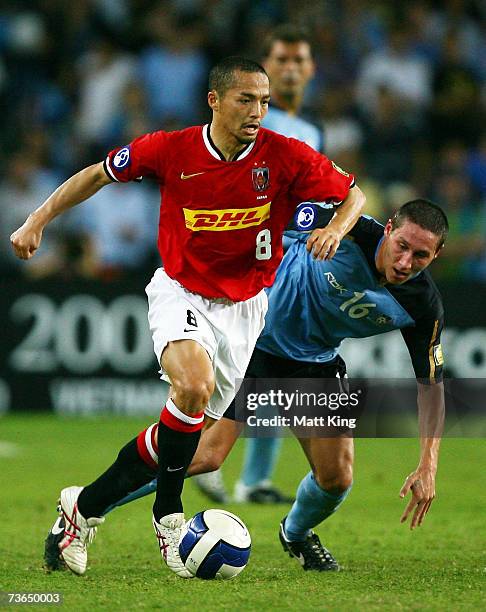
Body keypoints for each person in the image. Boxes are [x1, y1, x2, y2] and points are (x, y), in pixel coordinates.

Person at [11, 56, 364, 578]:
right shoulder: (170, 149)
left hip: (246, 310)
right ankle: (168, 516)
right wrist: (37, 219)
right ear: (215, 100)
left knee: (192, 442)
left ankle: (80, 509)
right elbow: (95, 175)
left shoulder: (284, 155)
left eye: (264, 101)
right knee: (193, 388)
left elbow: (352, 194)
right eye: (246, 99)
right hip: (182, 292)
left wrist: (336, 227)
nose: (258, 111)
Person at [53, 199, 446, 574]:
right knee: (206, 455)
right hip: (252, 342)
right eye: (402, 246)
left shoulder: (422, 303)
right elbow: (261, 217)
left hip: (313, 362)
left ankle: (295, 534)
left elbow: (431, 384)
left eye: (420, 256)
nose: (405, 262)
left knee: (337, 478)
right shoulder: (343, 226)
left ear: (436, 257)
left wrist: (428, 464)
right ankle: (83, 508)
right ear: (389, 229)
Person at [194, 24, 322, 505]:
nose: (291, 68)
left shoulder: (309, 130)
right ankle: (202, 452)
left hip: (291, 266)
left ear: (310, 69)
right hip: (248, 263)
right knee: (243, 368)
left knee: (271, 371)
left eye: (299, 60)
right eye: (281, 60)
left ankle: (249, 476)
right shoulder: (253, 122)